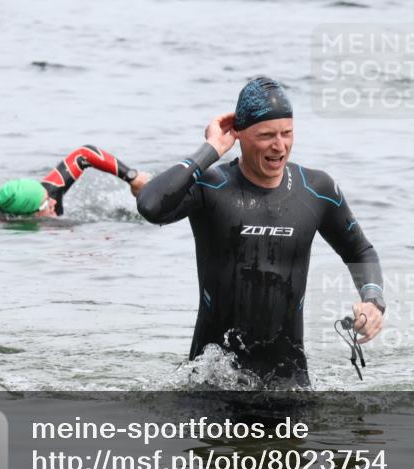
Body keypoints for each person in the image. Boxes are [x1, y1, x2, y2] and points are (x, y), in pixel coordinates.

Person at [136, 77, 385, 385]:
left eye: (287, 133)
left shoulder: (316, 190)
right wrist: (211, 149)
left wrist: (373, 301)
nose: (279, 146)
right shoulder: (211, 187)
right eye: (266, 135)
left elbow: (359, 250)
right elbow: (150, 206)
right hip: (212, 382)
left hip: (289, 381)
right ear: (238, 134)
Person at [0, 145, 150, 217]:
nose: (53, 202)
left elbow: (83, 155)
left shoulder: (51, 191)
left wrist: (131, 177)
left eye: (47, 196)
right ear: (27, 216)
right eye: (45, 203)